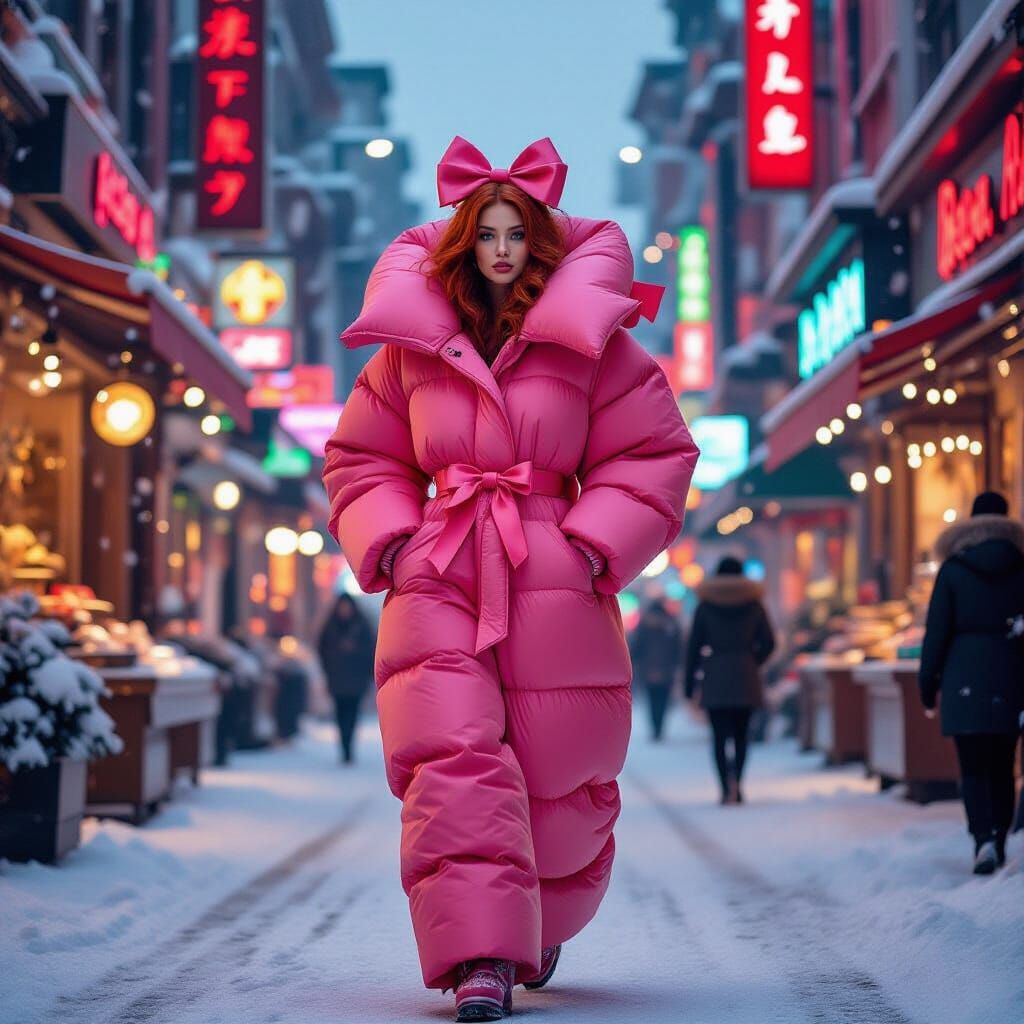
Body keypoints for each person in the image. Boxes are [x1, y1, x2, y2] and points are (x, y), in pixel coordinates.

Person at [323, 136, 698, 1022]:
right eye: (485, 231)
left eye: (515, 233)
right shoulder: (411, 350)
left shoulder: (592, 347)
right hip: (442, 563)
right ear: (462, 241)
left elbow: (653, 451)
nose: (500, 248)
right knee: (451, 757)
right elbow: (359, 457)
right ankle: (481, 954)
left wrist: (592, 546)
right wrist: (395, 543)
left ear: (540, 243)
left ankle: (537, 913)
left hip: (550, 570)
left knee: (554, 765)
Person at [919, 491, 1024, 875]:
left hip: (964, 673)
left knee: (973, 763)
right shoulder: (1021, 565)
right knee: (1003, 761)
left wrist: (927, 684)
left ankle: (981, 839)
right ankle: (999, 838)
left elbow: (936, 633)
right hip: (1011, 672)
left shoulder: (954, 569)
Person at [685, 556, 775, 805]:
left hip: (715, 675)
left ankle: (725, 787)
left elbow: (693, 647)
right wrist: (751, 660)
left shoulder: (706, 605)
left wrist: (689, 684)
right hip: (746, 675)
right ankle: (739, 782)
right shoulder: (754, 604)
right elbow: (769, 642)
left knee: (718, 736)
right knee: (742, 735)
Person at [316, 594, 375, 764]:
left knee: (353, 714)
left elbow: (371, 650)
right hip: (337, 679)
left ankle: (349, 747)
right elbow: (322, 649)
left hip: (356, 680)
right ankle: (344, 747)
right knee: (340, 714)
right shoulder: (330, 626)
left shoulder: (361, 625)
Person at [629, 597, 685, 741]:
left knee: (652, 700)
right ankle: (659, 727)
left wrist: (633, 663)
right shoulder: (671, 623)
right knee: (663, 699)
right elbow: (679, 648)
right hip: (667, 669)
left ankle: (655, 728)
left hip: (647, 669)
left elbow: (636, 647)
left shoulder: (644, 625)